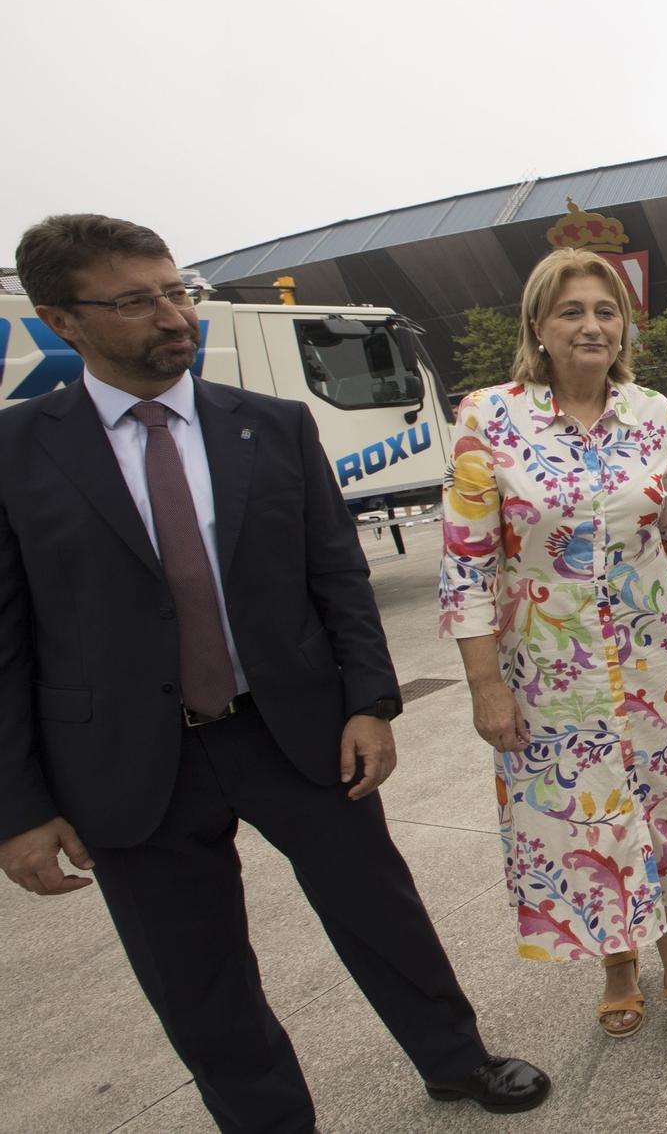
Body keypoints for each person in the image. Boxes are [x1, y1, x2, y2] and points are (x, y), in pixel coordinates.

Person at [0, 214, 550, 1132]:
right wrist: (17, 806)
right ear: (63, 319)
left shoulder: (272, 426)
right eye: (137, 301)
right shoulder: (17, 452)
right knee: (197, 972)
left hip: (292, 729)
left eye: (176, 291)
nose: (172, 315)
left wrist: (372, 701)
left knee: (381, 913)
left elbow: (337, 574)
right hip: (129, 765)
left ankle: (457, 1059)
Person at [439, 238, 667, 1065]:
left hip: (653, 658)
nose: (591, 324)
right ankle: (616, 964)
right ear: (538, 324)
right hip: (545, 667)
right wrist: (483, 683)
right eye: (572, 310)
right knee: (583, 819)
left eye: (606, 310)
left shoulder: (654, 413)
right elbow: (463, 560)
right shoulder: (487, 418)